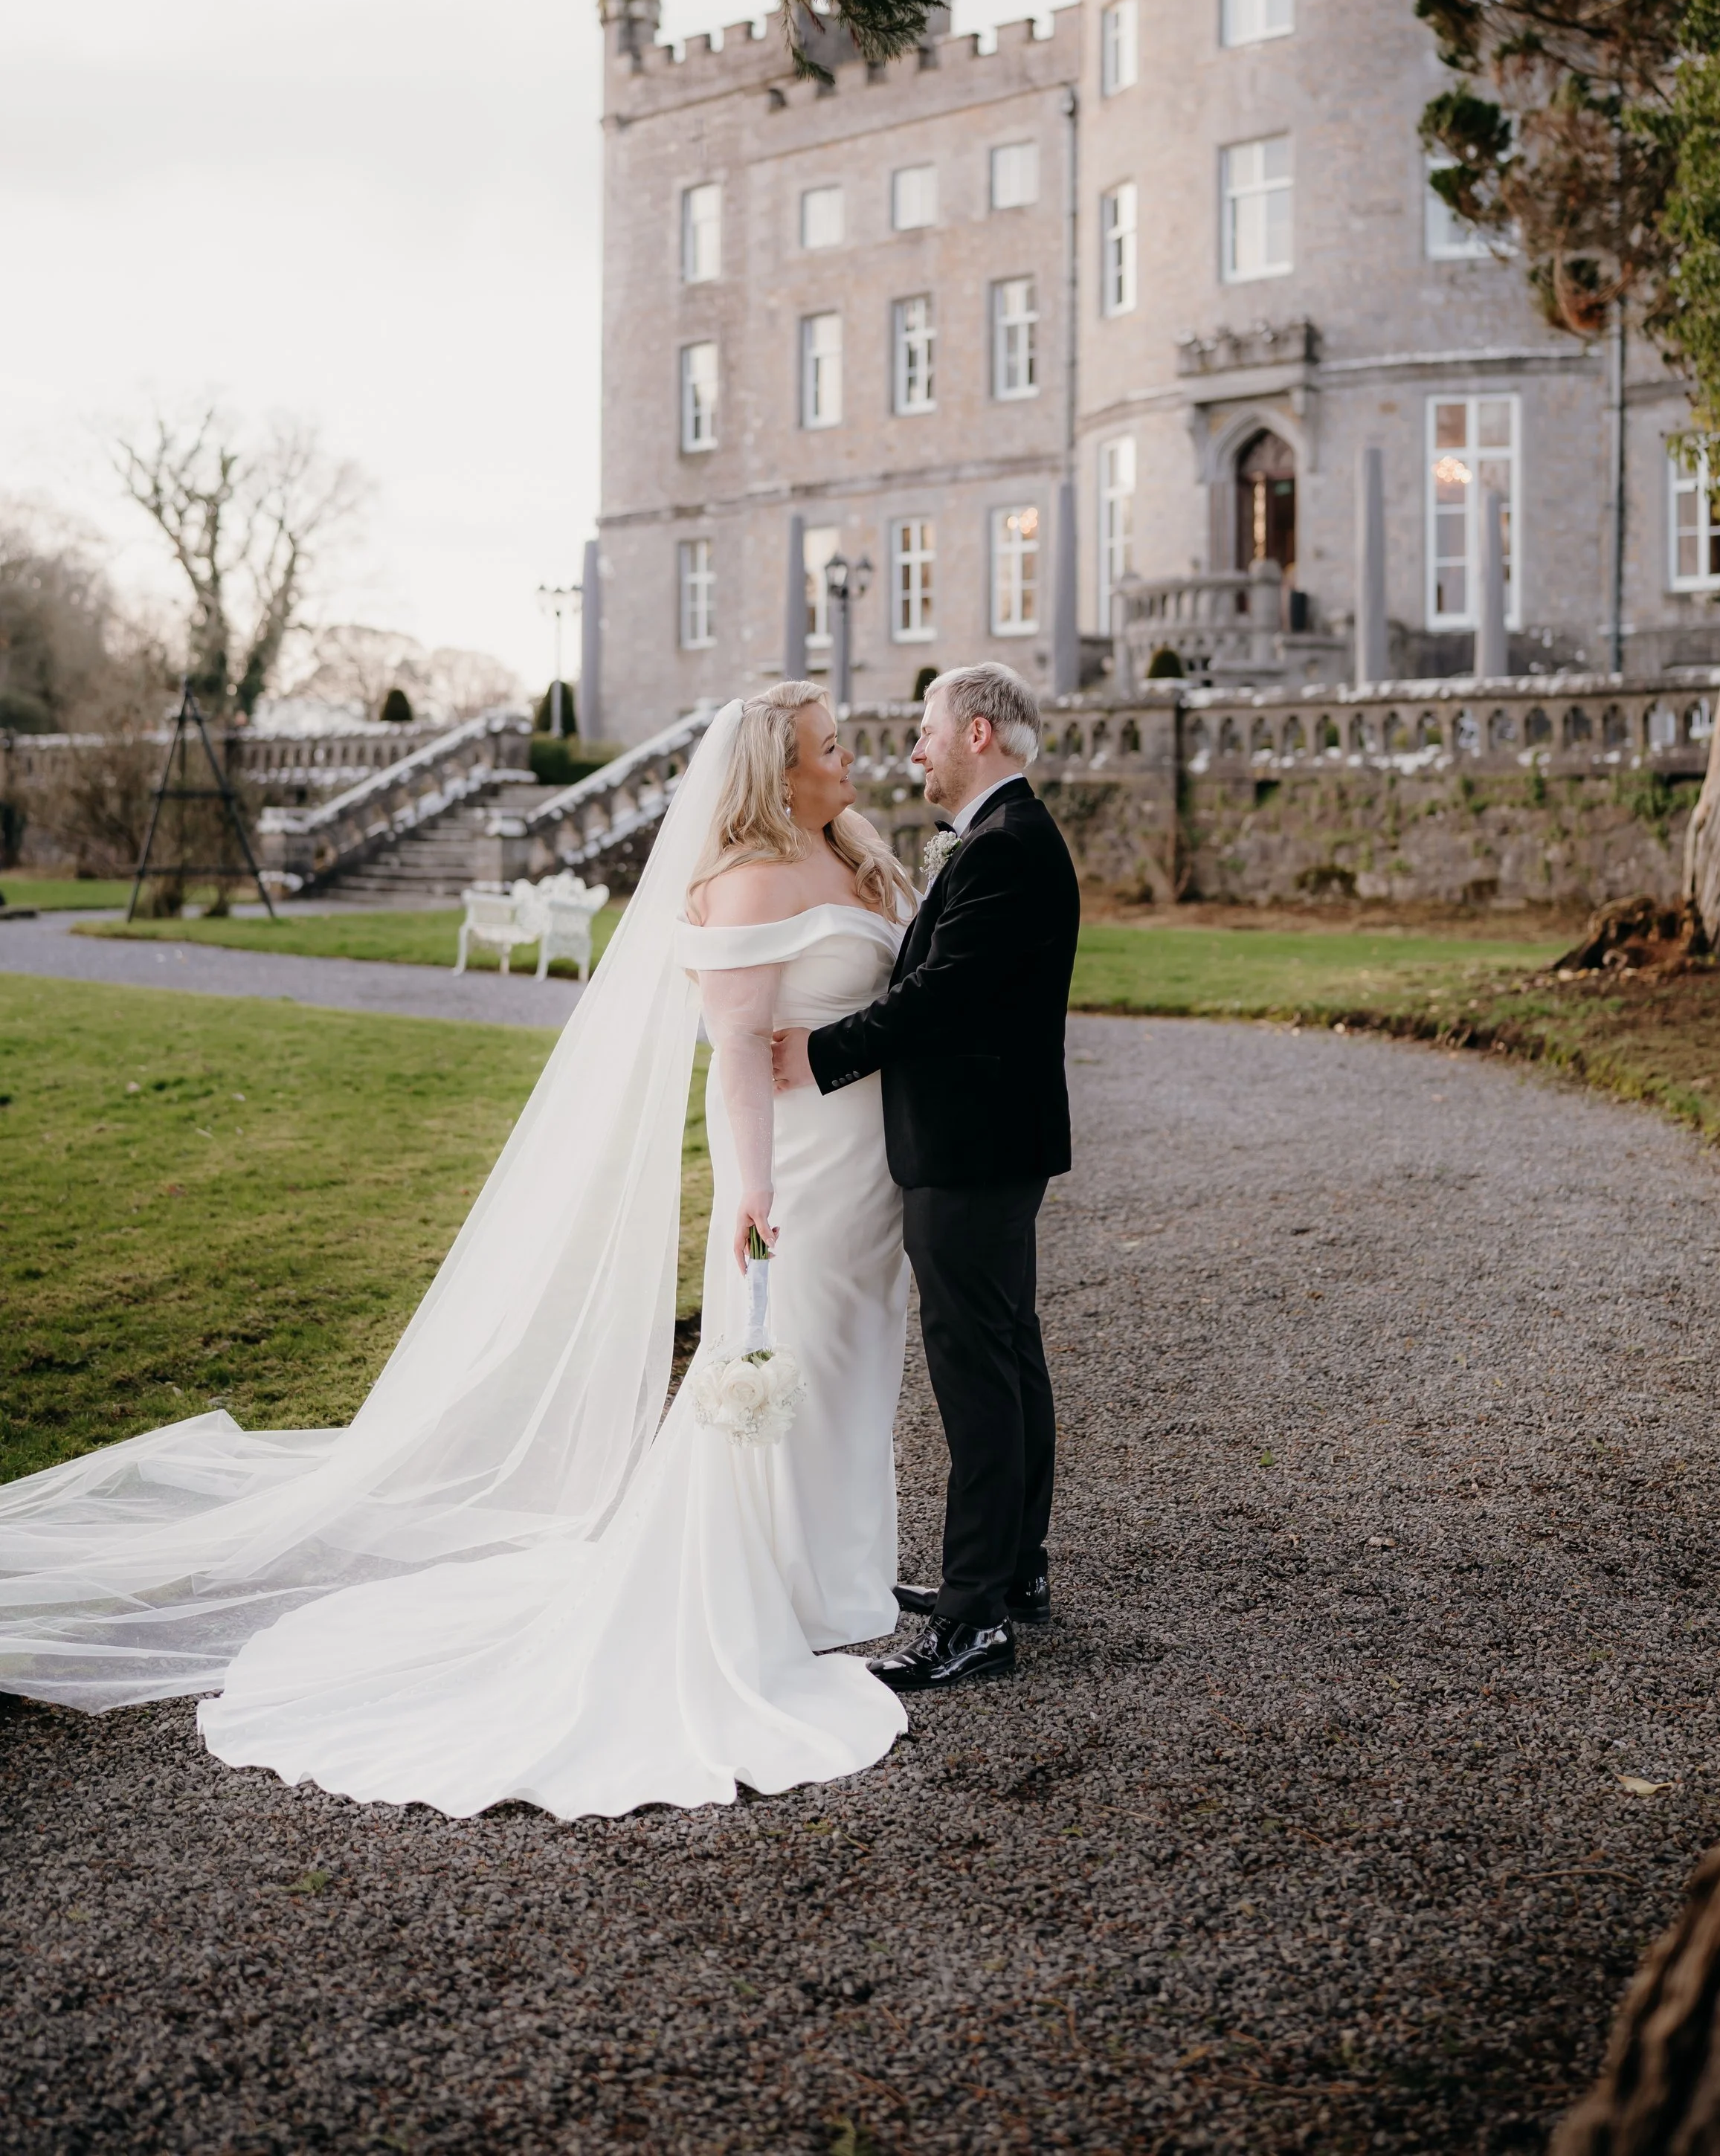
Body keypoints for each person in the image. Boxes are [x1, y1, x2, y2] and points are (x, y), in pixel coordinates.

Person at [0, 690, 925, 1819]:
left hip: (874, 1173)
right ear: (780, 774)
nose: (852, 753)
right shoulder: (747, 880)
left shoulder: (853, 857)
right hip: (801, 1181)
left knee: (854, 1362)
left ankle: (839, 1576)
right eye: (832, 744)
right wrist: (759, 1188)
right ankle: (774, 1594)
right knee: (790, 1367)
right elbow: (734, 1048)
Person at [773, 662, 1080, 1694]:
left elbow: (941, 996)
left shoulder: (1006, 848)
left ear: (978, 733)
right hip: (990, 1141)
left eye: (925, 731)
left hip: (971, 1145)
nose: (913, 750)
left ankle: (973, 1613)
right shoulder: (1007, 838)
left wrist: (818, 1053)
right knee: (1007, 1350)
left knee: (976, 1370)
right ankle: (1013, 1568)